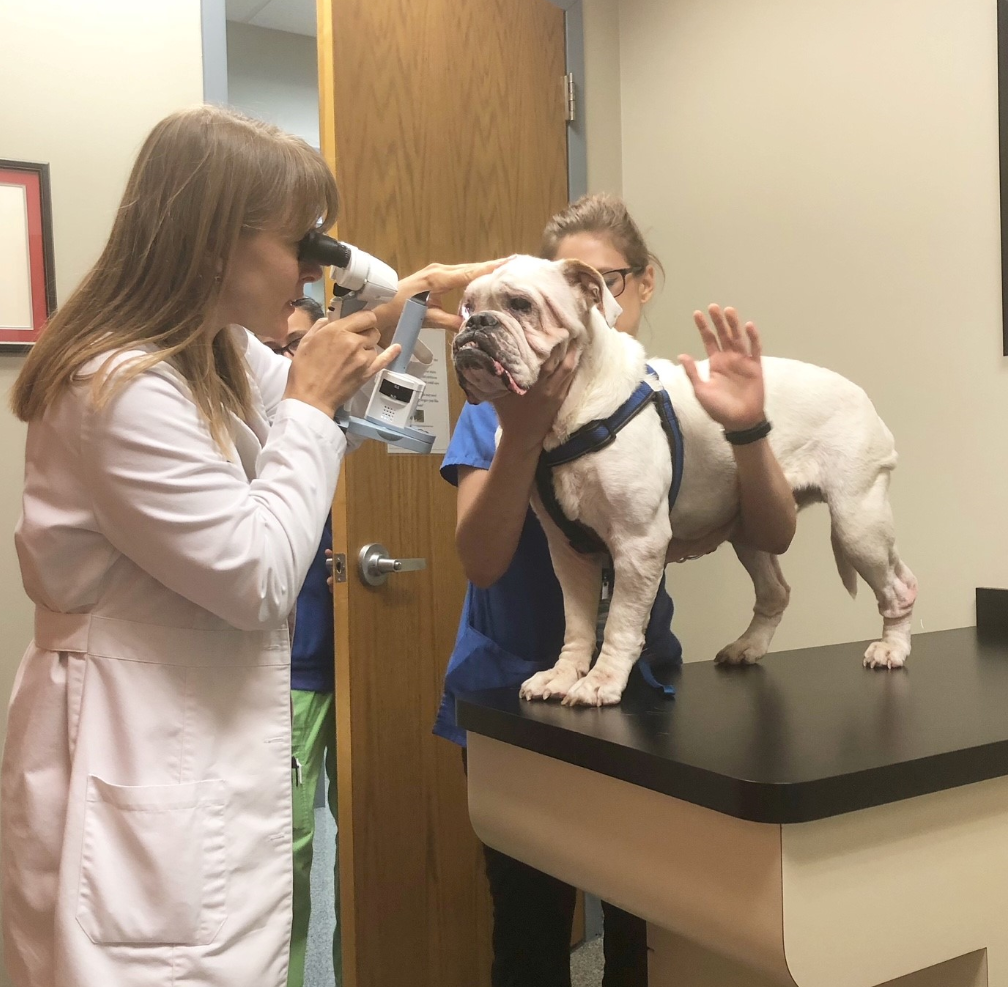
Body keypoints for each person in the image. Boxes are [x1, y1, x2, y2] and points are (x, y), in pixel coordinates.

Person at [1, 104, 502, 987]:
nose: (316, 270)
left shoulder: (217, 347)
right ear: (211, 243)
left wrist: (410, 302)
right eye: (300, 244)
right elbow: (259, 574)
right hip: (133, 738)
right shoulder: (116, 383)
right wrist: (311, 406)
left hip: (191, 729)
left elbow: (351, 406)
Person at [435, 192, 796, 987]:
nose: (596, 295)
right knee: (529, 928)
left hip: (642, 692)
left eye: (610, 278)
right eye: (578, 280)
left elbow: (771, 534)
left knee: (648, 929)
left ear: (639, 286)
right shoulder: (494, 411)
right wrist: (522, 428)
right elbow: (483, 559)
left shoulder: (671, 397)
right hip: (512, 692)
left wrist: (748, 426)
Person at [264, 295, 343, 987]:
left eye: (305, 343)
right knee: (286, 850)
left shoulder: (367, 421)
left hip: (373, 654)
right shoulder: (256, 426)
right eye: (282, 345)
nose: (294, 361)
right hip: (294, 670)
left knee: (377, 833)